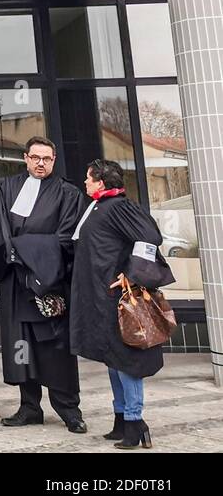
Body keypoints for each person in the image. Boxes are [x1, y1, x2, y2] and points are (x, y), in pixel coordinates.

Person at [0, 136, 87, 433]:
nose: (40, 163)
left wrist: (24, 249)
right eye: (35, 158)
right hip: (16, 281)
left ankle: (69, 409)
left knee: (55, 348)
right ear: (25, 158)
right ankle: (29, 406)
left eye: (46, 158)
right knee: (22, 347)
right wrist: (13, 253)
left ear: (53, 160)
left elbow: (67, 236)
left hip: (48, 282)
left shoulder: (68, 193)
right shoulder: (6, 188)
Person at [70, 159, 167, 450]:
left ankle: (135, 423)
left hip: (118, 298)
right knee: (113, 359)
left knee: (127, 361)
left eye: (88, 178)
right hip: (100, 297)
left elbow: (151, 237)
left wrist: (131, 273)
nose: (85, 182)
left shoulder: (119, 206)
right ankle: (122, 418)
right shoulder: (99, 206)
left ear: (101, 182)